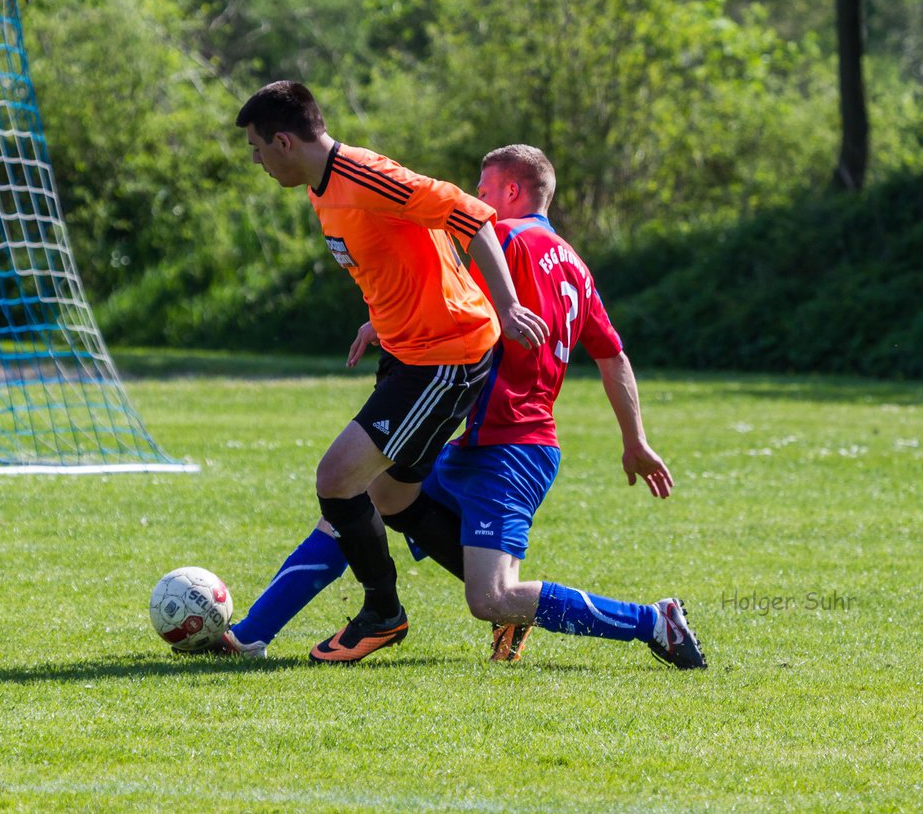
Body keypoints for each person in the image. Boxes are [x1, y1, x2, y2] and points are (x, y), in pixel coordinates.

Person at [223, 143, 705, 670]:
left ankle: (652, 621)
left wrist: (384, 323)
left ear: (512, 191)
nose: (478, 195)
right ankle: (250, 633)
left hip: (510, 450)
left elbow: (447, 298)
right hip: (481, 442)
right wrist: (634, 440)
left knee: (492, 596)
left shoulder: (505, 239)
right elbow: (613, 357)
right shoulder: (576, 266)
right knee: (360, 498)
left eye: (484, 187)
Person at [229, 81, 548, 664]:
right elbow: (401, 252)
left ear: (283, 140)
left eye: (257, 148)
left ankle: (383, 612)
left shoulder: (364, 174)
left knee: (336, 479)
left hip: (445, 356)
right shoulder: (322, 190)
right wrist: (380, 318)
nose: (256, 161)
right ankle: (508, 606)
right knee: (394, 499)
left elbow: (469, 215)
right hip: (406, 351)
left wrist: (504, 305)